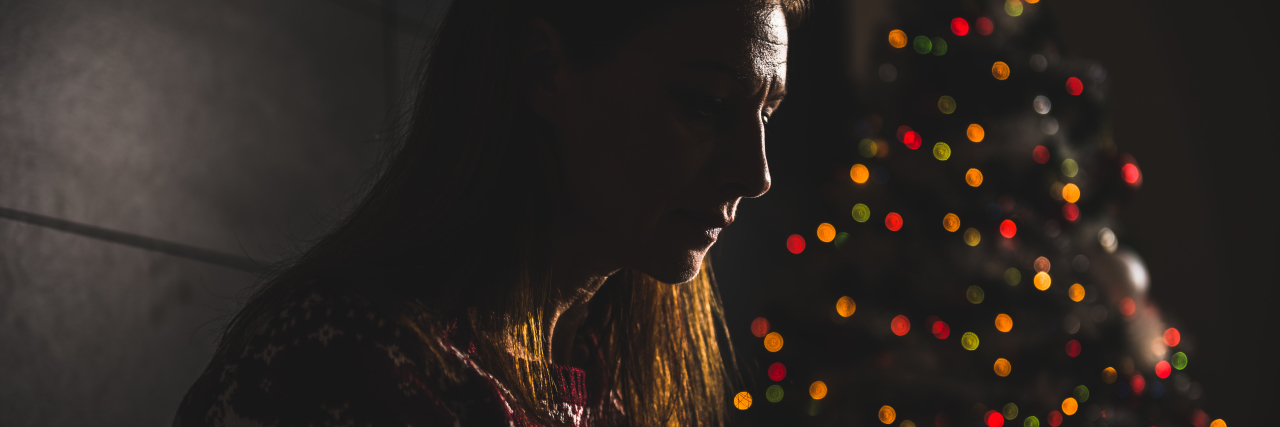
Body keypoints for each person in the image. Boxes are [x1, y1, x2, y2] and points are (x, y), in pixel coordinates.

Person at [175, 0, 801, 425]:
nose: (756, 174)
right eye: (706, 102)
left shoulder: (612, 380)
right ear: (544, 69)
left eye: (766, 113)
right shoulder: (341, 359)